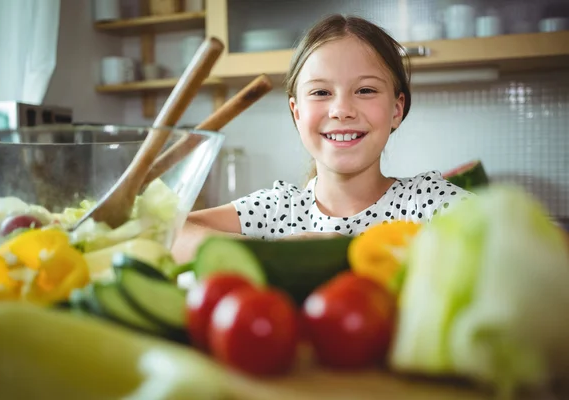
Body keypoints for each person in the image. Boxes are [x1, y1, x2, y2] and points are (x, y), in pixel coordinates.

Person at [171, 14, 472, 264]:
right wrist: (279, 253)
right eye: (321, 92)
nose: (341, 110)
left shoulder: (429, 205)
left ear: (396, 109)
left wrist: (345, 254)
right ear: (297, 112)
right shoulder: (277, 210)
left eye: (365, 90)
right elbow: (170, 233)